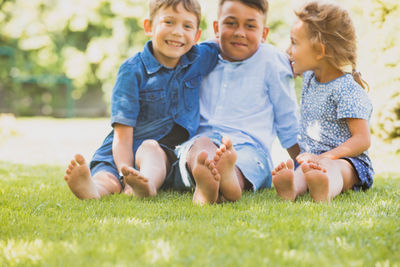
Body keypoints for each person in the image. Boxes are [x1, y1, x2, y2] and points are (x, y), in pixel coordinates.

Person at [64, 0, 220, 200]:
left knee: (151, 151)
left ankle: (144, 186)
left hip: (158, 154)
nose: (178, 32)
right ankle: (93, 189)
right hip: (122, 151)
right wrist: (124, 171)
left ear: (197, 35)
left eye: (187, 26)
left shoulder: (199, 58)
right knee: (108, 178)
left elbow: (223, 42)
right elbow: (122, 135)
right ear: (149, 26)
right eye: (169, 22)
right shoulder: (132, 71)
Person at [176, 0, 300, 205]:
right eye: (231, 23)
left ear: (264, 33)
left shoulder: (271, 61)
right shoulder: (203, 57)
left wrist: (302, 162)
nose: (239, 32)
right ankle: (208, 181)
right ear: (217, 28)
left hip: (250, 147)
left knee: (245, 163)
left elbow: (287, 120)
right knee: (200, 148)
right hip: (203, 139)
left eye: (250, 26)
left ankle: (230, 180)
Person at [272, 1, 374, 202]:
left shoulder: (347, 89)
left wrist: (325, 158)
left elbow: (362, 139)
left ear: (319, 51)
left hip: (347, 162)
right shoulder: (310, 76)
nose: (288, 50)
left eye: (294, 43)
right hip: (312, 159)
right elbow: (283, 63)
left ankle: (324, 189)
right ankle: (291, 188)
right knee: (303, 171)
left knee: (331, 168)